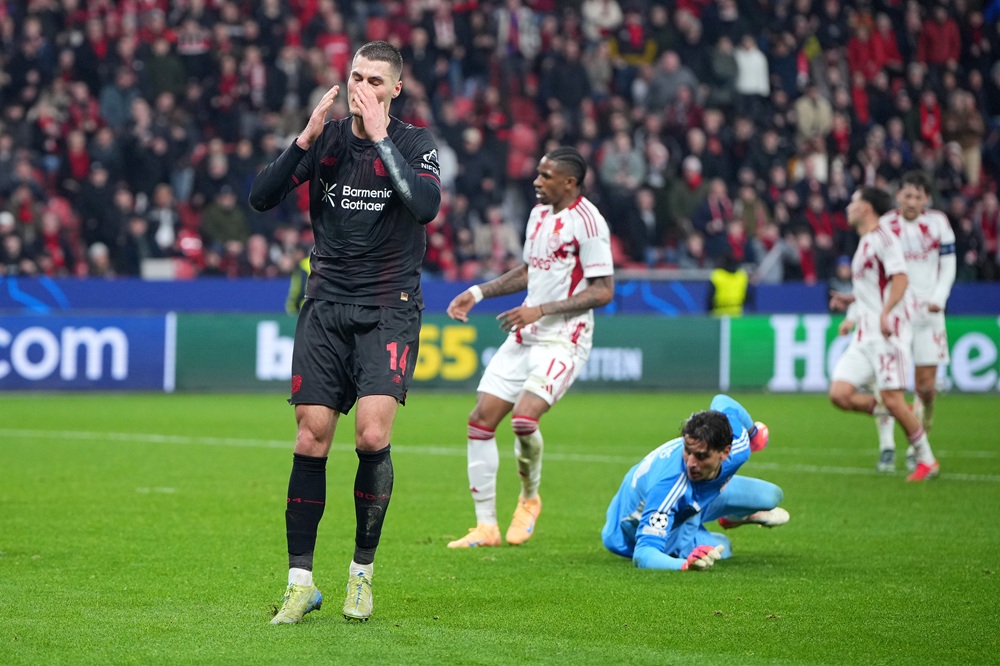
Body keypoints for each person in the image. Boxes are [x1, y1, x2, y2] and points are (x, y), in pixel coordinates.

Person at [249, 41, 442, 624]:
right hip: (326, 303)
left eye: (375, 80)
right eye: (356, 76)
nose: (363, 87)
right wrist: (303, 140)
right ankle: (300, 582)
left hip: (389, 306)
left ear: (395, 89)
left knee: (370, 435)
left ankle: (361, 576)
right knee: (311, 438)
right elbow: (261, 198)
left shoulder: (415, 144)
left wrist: (383, 138)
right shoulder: (328, 140)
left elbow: (426, 206)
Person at [444, 146, 615, 549]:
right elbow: (529, 271)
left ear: (569, 182)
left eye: (546, 176)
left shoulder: (589, 223)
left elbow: (604, 290)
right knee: (480, 420)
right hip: (526, 332)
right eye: (537, 173)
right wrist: (478, 292)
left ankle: (529, 498)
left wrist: (541, 309)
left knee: (523, 421)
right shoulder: (538, 215)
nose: (536, 182)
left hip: (565, 337)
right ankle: (486, 526)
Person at [828, 187, 939, 482]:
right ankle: (899, 411)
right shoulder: (865, 242)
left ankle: (927, 460)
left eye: (853, 201)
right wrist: (850, 300)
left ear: (865, 208)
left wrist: (887, 312)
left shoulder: (884, 239)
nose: (848, 206)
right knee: (839, 394)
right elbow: (872, 289)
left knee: (892, 398)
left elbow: (901, 278)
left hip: (886, 335)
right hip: (864, 336)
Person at [601, 394, 785, 570]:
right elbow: (644, 554)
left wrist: (753, 433)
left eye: (701, 456)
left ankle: (732, 517)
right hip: (639, 528)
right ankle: (694, 538)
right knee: (723, 547)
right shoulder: (669, 486)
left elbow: (721, 400)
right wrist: (685, 565)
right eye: (687, 451)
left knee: (771, 497)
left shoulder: (739, 445)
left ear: (725, 452)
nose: (691, 463)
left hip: (697, 498)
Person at [874, 170, 955, 472]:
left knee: (926, 387)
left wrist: (940, 297)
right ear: (898, 196)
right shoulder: (885, 226)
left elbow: (948, 265)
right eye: (906, 195)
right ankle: (887, 445)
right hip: (895, 316)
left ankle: (917, 439)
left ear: (926, 199)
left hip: (928, 315)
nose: (911, 201)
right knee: (888, 384)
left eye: (917, 196)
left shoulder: (938, 223)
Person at [706, 252, 750, 316]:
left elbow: (710, 298)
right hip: (737, 313)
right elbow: (747, 297)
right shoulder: (742, 276)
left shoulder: (717, 275)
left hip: (718, 314)